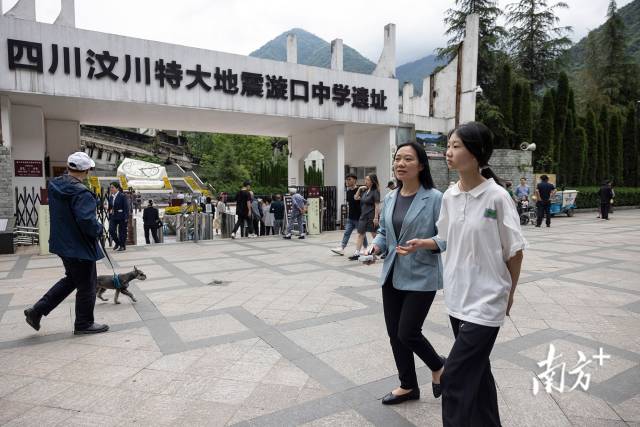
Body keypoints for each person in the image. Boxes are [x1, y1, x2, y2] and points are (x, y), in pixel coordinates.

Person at [397, 122, 526, 426]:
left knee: (453, 379)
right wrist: (422, 244)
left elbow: (515, 252)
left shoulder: (497, 197)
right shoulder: (450, 196)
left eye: (456, 146)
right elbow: (445, 239)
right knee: (478, 374)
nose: (449, 152)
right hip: (457, 298)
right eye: (449, 145)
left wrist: (510, 294)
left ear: (477, 153)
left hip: (487, 301)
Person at [365, 141, 445, 405]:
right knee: (394, 334)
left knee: (408, 332)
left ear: (421, 165)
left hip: (422, 275)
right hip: (392, 273)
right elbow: (385, 232)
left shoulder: (435, 198)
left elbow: (448, 237)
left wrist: (424, 243)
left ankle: (438, 366)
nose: (401, 164)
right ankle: (408, 385)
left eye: (408, 159)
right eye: (398, 159)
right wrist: (376, 247)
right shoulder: (390, 197)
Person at [24, 152, 109, 335]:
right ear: (86, 170)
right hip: (79, 247)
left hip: (62, 244)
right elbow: (86, 221)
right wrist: (99, 229)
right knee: (87, 284)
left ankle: (37, 311)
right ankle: (83, 323)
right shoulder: (81, 192)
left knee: (72, 279)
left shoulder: (56, 185)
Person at [331, 174, 368, 255]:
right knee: (347, 232)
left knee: (361, 234)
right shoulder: (348, 192)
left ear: (354, 180)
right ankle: (342, 248)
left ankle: (366, 248)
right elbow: (351, 202)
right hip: (351, 217)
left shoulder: (361, 190)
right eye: (346, 179)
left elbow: (364, 201)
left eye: (349, 179)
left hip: (359, 217)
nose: (347, 181)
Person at [348, 174, 380, 260]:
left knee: (375, 235)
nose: (366, 181)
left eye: (368, 180)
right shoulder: (365, 191)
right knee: (360, 234)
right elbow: (356, 197)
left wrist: (376, 218)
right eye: (365, 179)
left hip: (372, 216)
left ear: (372, 181)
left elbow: (377, 205)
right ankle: (357, 253)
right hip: (363, 216)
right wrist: (359, 189)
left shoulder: (375, 191)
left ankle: (376, 252)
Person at [107, 181, 129, 251]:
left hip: (121, 216)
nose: (111, 189)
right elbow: (110, 207)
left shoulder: (122, 196)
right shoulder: (111, 197)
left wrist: (126, 217)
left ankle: (122, 245)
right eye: (110, 187)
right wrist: (109, 211)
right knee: (111, 230)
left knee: (122, 231)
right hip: (113, 216)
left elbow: (126, 207)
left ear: (117, 188)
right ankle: (117, 242)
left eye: (112, 187)